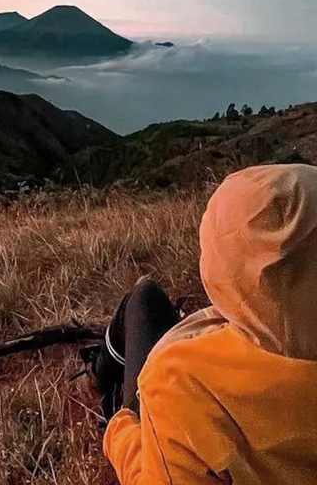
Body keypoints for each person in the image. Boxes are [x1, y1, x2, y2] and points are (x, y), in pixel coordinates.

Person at [98, 164, 317, 484]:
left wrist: (118, 431)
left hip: (156, 425)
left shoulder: (179, 381)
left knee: (144, 300)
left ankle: (99, 376)